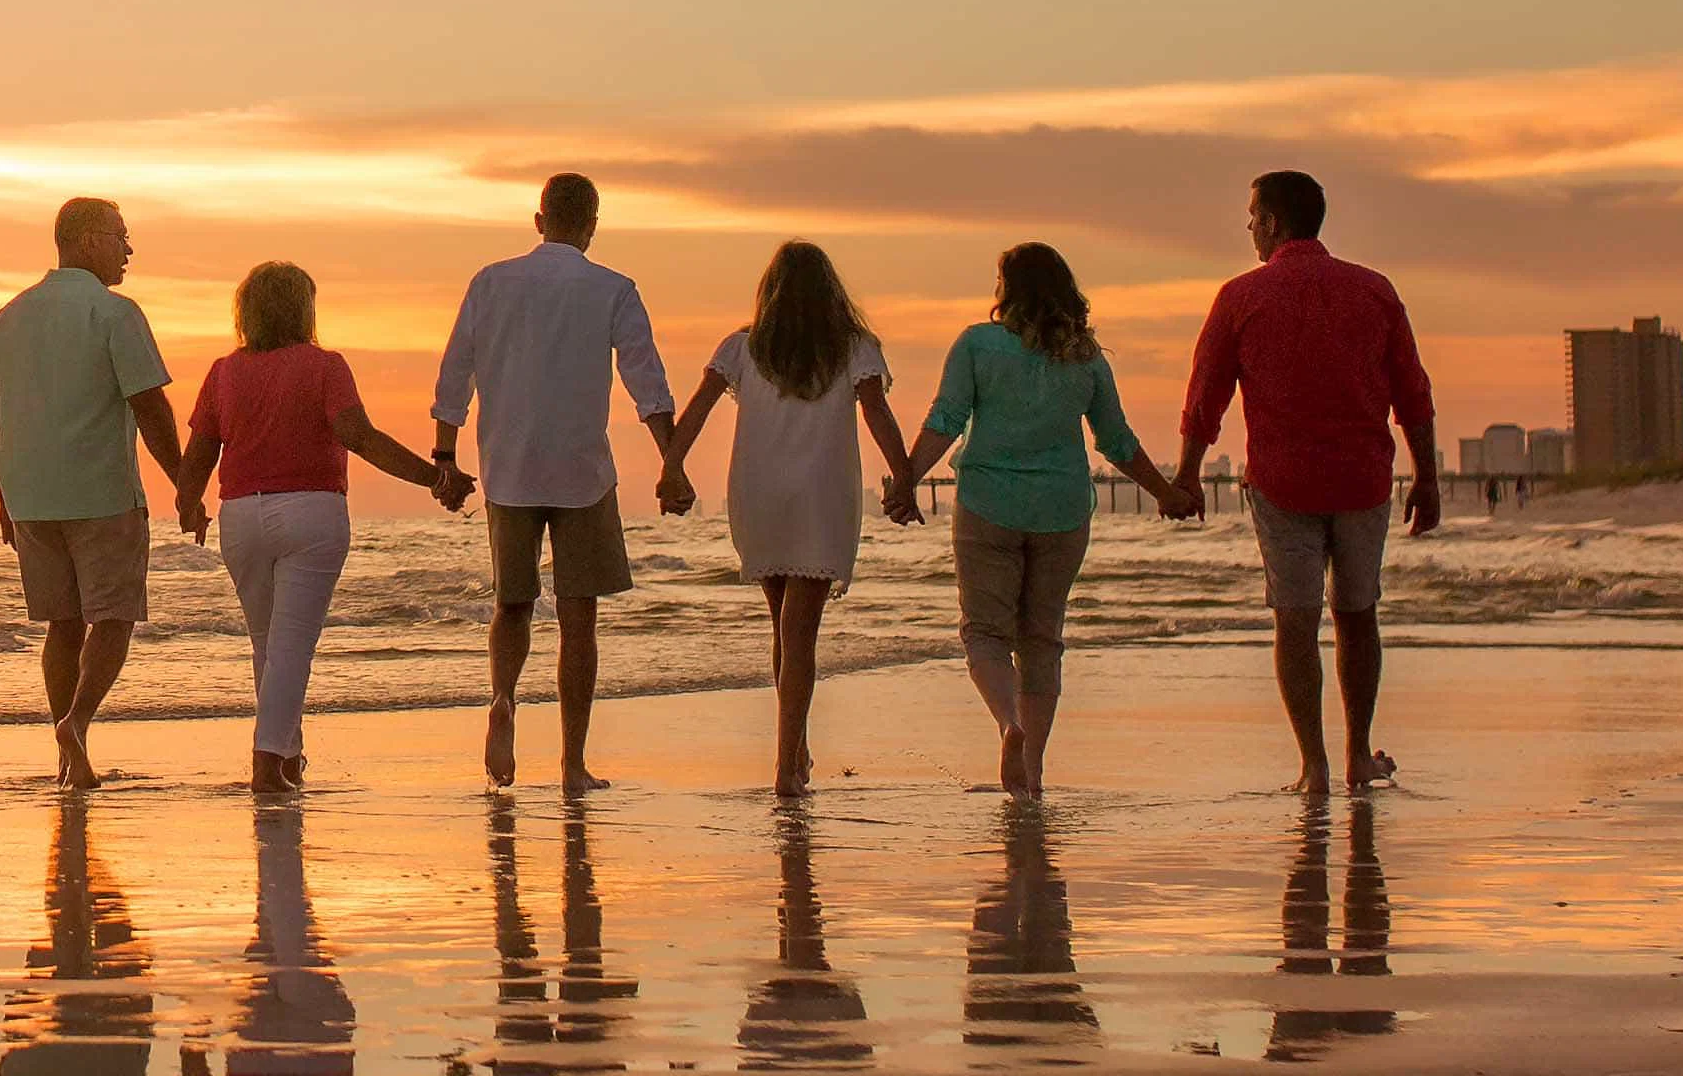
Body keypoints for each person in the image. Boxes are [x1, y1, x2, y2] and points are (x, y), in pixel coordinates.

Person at [1169, 169, 1442, 798]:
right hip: (1362, 480)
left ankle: (1313, 766)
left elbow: (1205, 395)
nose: (1248, 228)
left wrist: (1186, 476)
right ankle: (1355, 757)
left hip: (1282, 482)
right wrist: (1425, 479)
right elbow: (1413, 393)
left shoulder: (1240, 297)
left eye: (1251, 217)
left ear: (1271, 222)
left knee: (1294, 620)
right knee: (1358, 615)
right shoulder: (1374, 291)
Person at [890, 239, 1196, 797]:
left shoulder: (978, 345)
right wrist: (1165, 493)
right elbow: (1117, 441)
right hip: (1061, 512)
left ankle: (1009, 724)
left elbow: (945, 419)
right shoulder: (1085, 357)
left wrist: (906, 481)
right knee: (1041, 640)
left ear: (1007, 289)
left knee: (984, 632)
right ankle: (1030, 770)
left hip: (988, 506)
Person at [167, 260, 468, 796]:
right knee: (291, 646)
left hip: (241, 516)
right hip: (311, 514)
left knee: (268, 643)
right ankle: (266, 761)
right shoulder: (325, 366)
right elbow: (359, 436)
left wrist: (188, 504)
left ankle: (288, 756)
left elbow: (199, 453)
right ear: (304, 309)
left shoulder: (223, 371)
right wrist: (434, 477)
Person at [428, 172, 684, 790]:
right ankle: (572, 764)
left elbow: (455, 370)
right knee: (579, 619)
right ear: (592, 227)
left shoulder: (490, 282)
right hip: (582, 473)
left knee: (511, 604)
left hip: (508, 467)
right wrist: (671, 464)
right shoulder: (613, 289)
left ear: (538, 220)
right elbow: (647, 383)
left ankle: (503, 699)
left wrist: (444, 454)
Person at [649, 240, 915, 794]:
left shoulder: (744, 348)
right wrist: (904, 478)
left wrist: (672, 467)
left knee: (783, 627)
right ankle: (786, 764)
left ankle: (795, 750)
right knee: (800, 634)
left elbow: (695, 409)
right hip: (820, 495)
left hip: (760, 492)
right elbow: (878, 412)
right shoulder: (853, 347)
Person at [0, 194, 186, 791]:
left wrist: (3, 498)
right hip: (102, 494)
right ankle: (78, 724)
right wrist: (187, 486)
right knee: (114, 617)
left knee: (62, 625)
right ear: (88, 240)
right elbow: (150, 405)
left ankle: (69, 758)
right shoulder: (115, 314)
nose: (128, 249)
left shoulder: (8, 317)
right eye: (120, 236)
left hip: (31, 497)